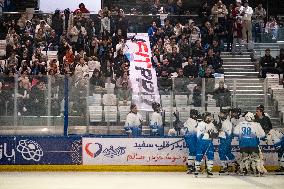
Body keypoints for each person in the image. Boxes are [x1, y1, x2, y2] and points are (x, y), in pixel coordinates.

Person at [194, 112, 218, 177]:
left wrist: (217, 129)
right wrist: (210, 135)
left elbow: (215, 133)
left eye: (210, 117)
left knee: (210, 156)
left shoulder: (212, 125)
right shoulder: (200, 124)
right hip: (201, 143)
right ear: (205, 117)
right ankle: (197, 170)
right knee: (199, 156)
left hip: (209, 143)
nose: (210, 118)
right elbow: (200, 135)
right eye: (208, 117)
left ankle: (209, 170)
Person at [183, 109, 200, 174]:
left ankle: (191, 166)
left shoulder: (190, 120)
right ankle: (191, 166)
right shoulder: (191, 121)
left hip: (191, 138)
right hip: (191, 138)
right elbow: (195, 130)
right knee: (193, 151)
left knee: (193, 152)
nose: (196, 115)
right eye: (195, 114)